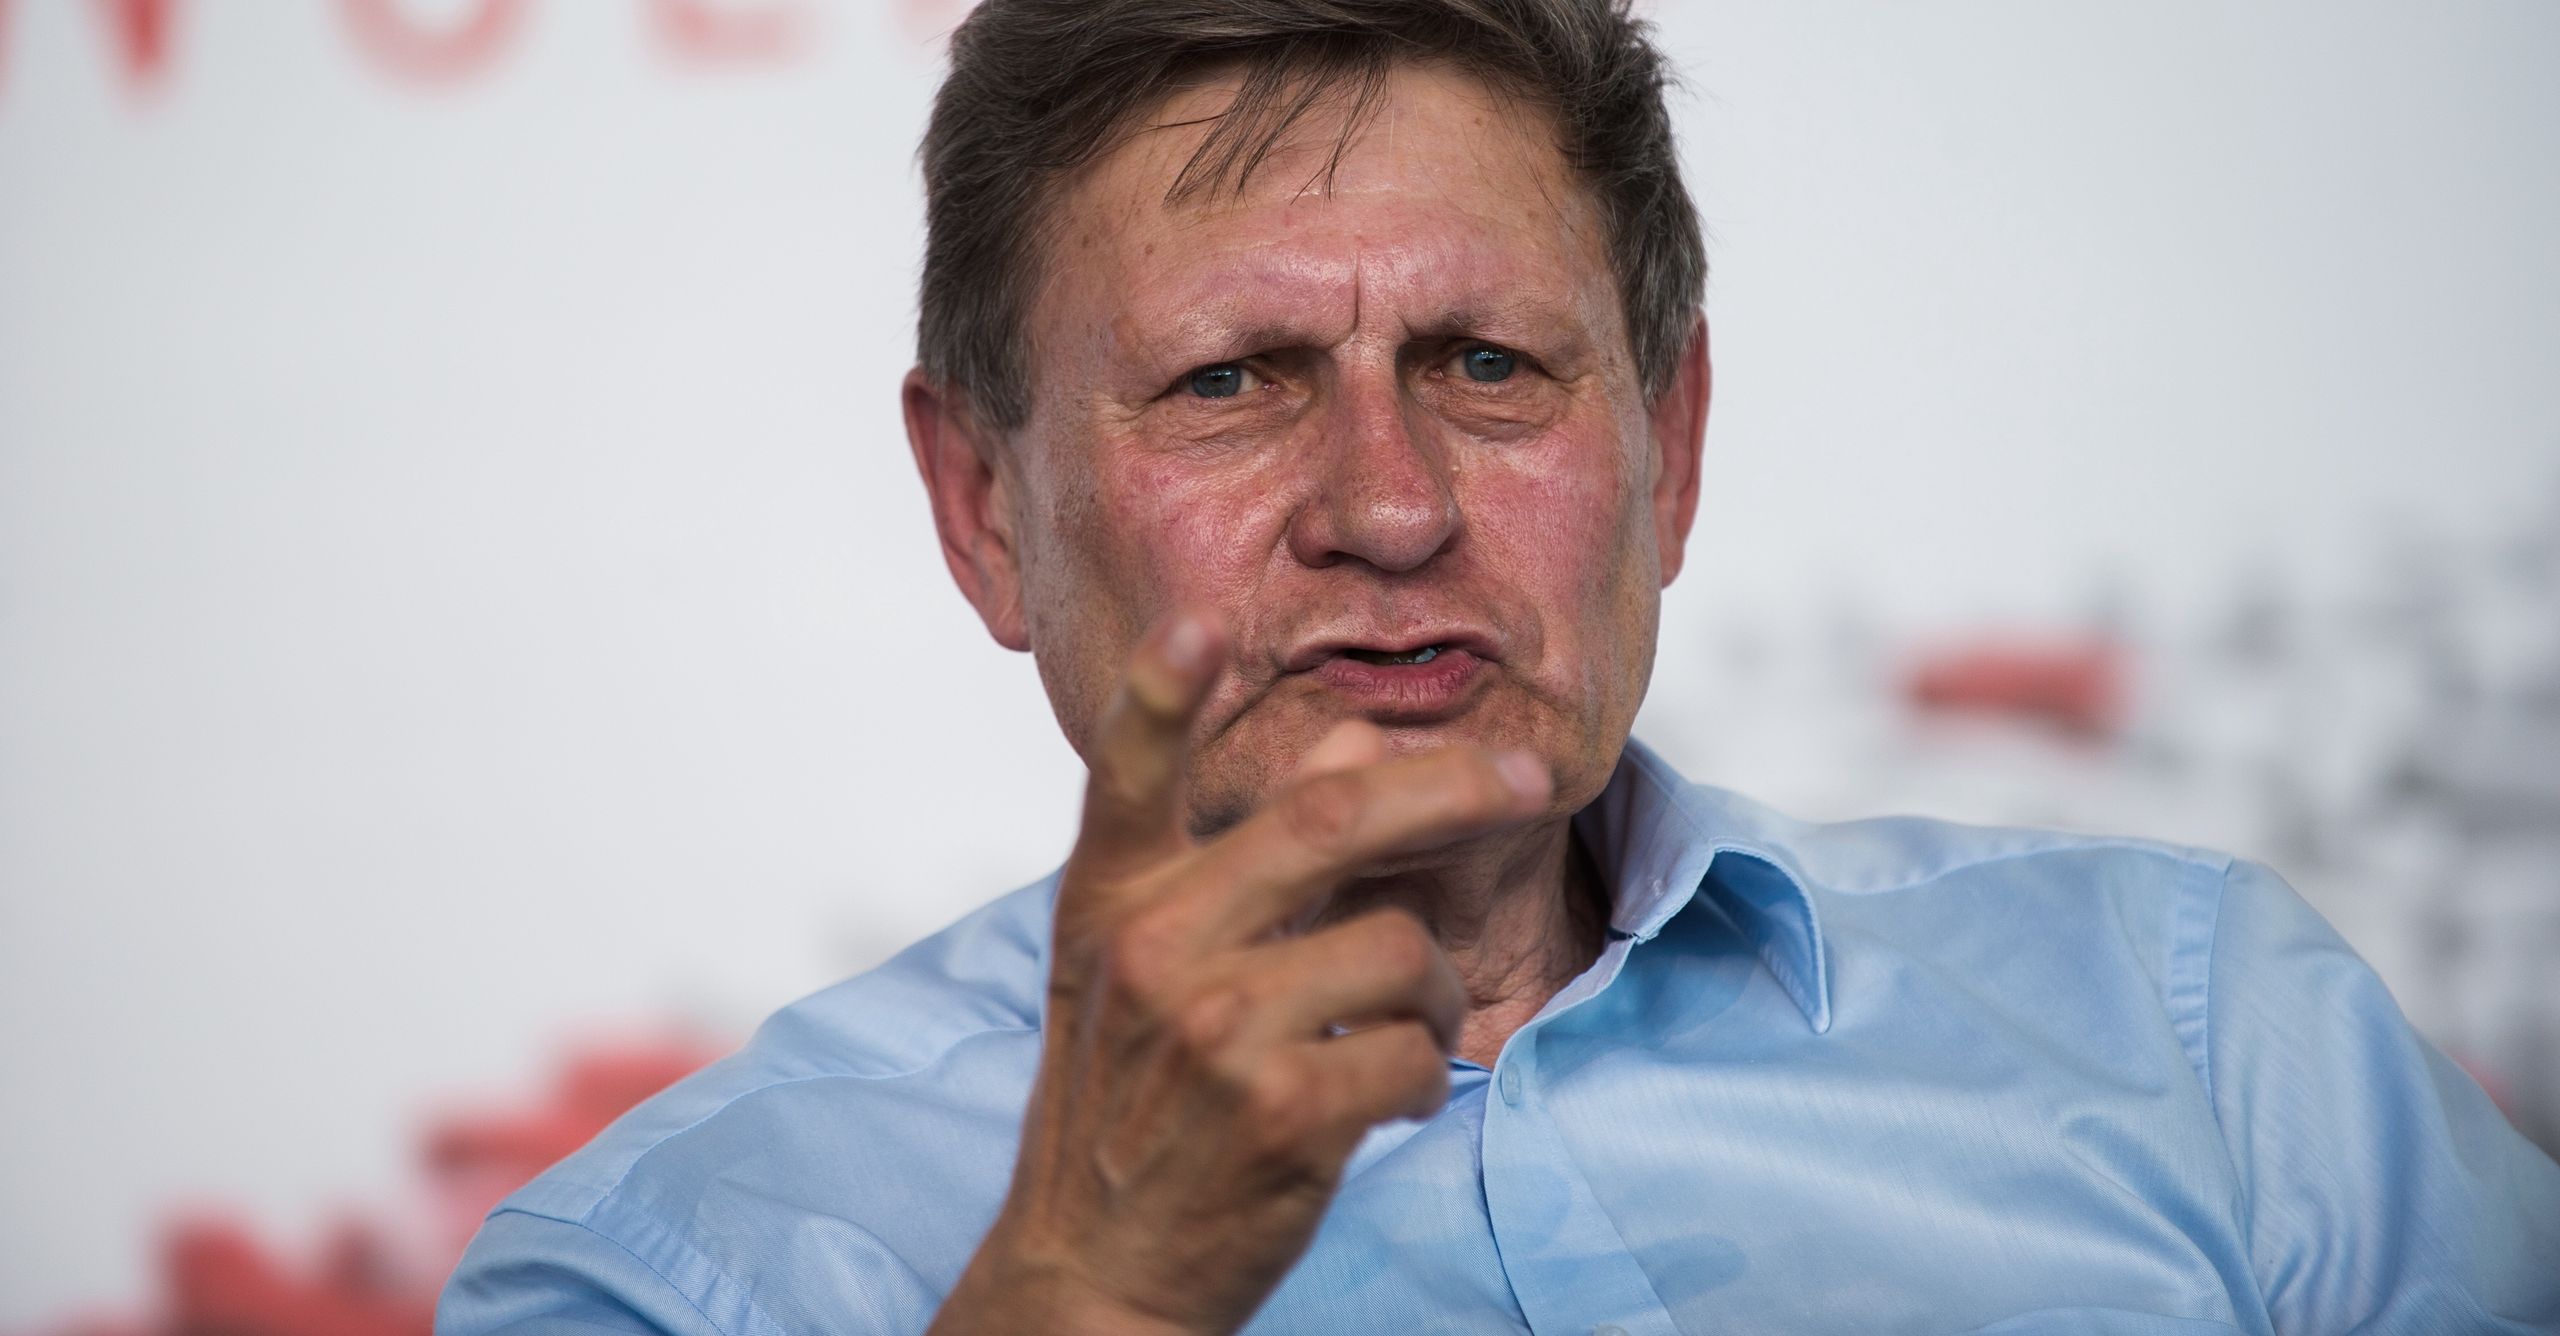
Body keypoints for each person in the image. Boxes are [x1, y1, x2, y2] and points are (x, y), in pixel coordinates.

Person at [437, 1, 2560, 1331]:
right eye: (1231, 379)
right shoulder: (673, 1266)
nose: (1387, 504)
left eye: (1482, 362)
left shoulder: (2208, 1042)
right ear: (984, 508)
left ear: (1671, 446)